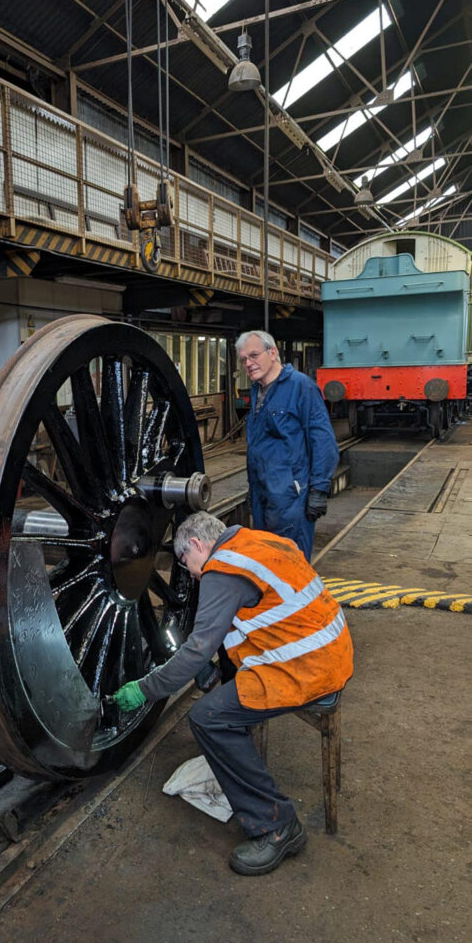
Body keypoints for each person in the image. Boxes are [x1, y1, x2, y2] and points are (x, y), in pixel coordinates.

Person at [113, 510, 353, 876]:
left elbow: (196, 650)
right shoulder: (259, 541)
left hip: (304, 670)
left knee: (208, 718)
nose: (192, 574)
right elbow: (257, 617)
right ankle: (246, 772)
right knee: (222, 697)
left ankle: (277, 825)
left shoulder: (222, 570)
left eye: (186, 563)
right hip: (329, 653)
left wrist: (146, 689)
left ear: (196, 543)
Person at [236, 330, 339, 560]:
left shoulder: (300, 386)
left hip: (292, 498)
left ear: (272, 352)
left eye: (254, 355)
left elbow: (323, 441)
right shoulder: (257, 391)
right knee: (269, 563)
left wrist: (319, 489)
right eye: (244, 359)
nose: (248, 363)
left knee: (293, 566)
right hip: (263, 496)